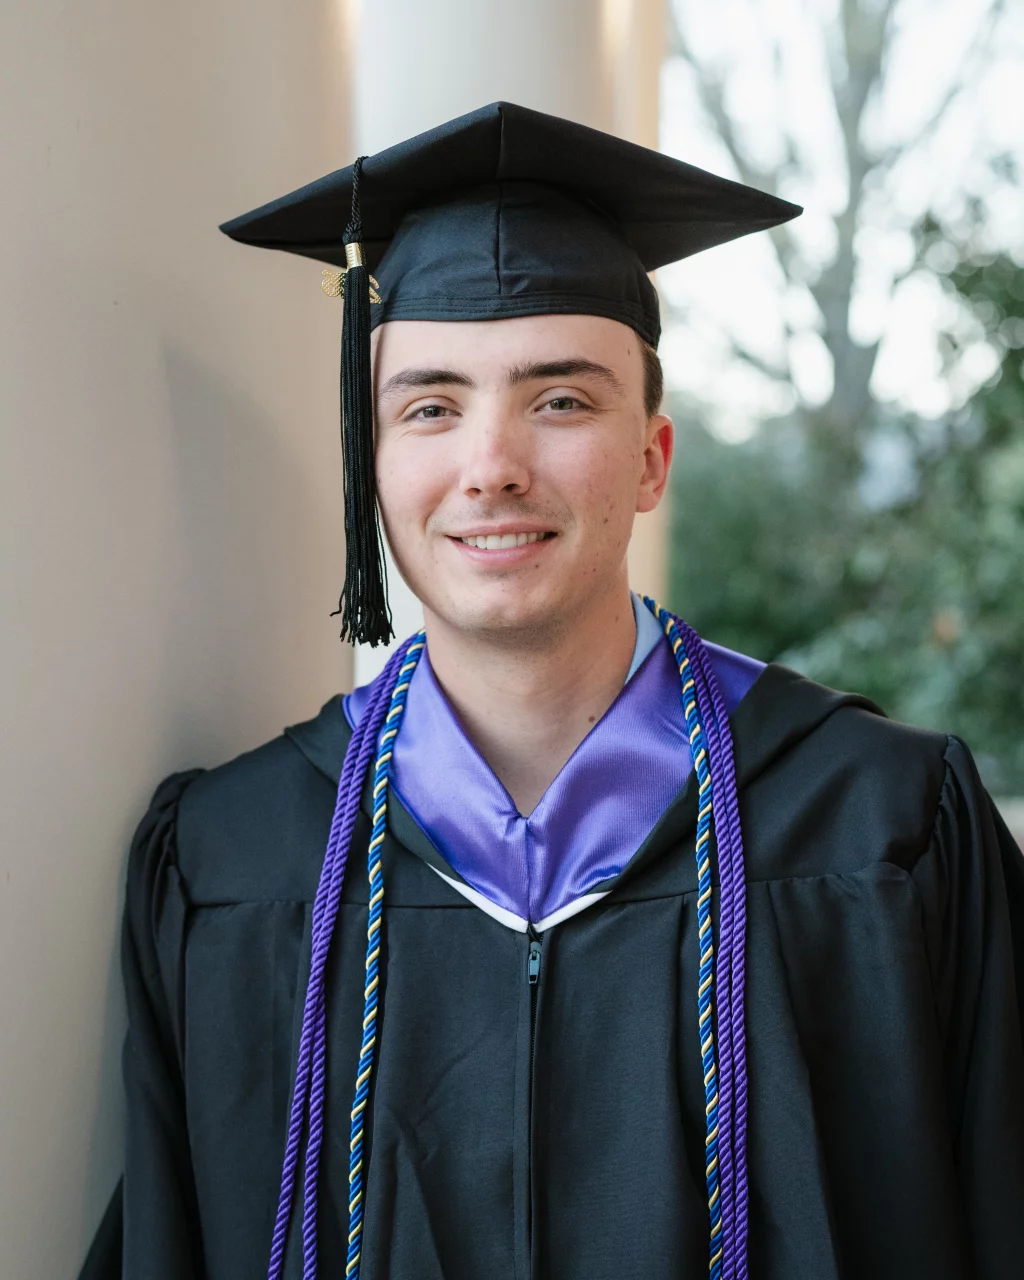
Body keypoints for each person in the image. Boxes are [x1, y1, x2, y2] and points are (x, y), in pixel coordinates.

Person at [80, 102, 1024, 1280]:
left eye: (561, 399)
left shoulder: (881, 822)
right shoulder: (234, 858)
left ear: (650, 458)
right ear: (374, 464)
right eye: (429, 405)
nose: (492, 466)